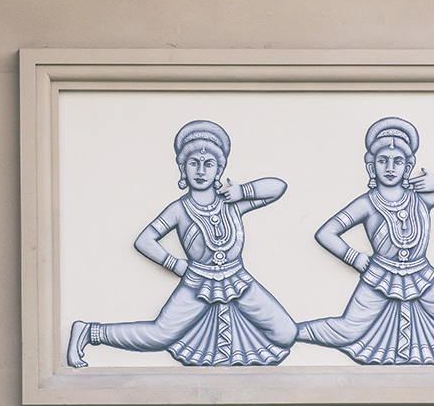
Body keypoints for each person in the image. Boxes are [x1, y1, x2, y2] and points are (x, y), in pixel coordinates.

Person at [67, 120, 297, 367]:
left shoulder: (231, 203)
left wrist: (244, 191)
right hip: (197, 282)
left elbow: (278, 187)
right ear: (183, 168)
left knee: (286, 333)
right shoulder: (179, 209)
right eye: (194, 163)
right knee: (159, 335)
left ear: (218, 170)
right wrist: (175, 264)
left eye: (208, 164)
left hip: (238, 280)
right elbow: (144, 240)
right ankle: (89, 332)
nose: (201, 171)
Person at [296, 116, 434, 364]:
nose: (389, 168)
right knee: (348, 331)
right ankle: (291, 332)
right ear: (371, 166)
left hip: (422, 276)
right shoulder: (367, 203)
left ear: (407, 168)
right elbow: (326, 233)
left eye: (397, 162)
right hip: (379, 276)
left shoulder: (421, 198)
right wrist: (353, 258)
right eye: (382, 160)